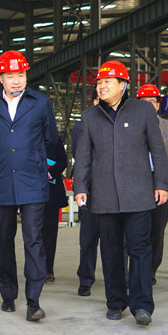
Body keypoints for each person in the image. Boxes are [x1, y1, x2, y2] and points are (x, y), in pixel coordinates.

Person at [73, 61, 168, 326]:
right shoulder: (90, 116)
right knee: (111, 251)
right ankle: (115, 302)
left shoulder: (143, 111)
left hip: (139, 194)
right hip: (104, 196)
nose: (101, 86)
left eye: (107, 82)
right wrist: (80, 187)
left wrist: (162, 183)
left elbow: (157, 150)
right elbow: (83, 156)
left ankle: (142, 305)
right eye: (99, 82)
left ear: (123, 85)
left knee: (140, 249)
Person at [0, 50, 58, 322]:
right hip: (1, 183)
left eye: (20, 74)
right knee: (3, 240)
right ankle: (8, 295)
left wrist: (34, 161)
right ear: (0, 78)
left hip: (32, 182)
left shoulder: (40, 103)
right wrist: (4, 160)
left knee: (34, 240)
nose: (16, 80)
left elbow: (51, 139)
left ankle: (33, 301)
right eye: (10, 75)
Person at [136, 84, 168, 286]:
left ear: (158, 105)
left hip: (161, 184)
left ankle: (151, 270)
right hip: (136, 184)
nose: (148, 106)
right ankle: (136, 269)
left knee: (156, 230)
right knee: (136, 230)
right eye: (144, 102)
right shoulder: (130, 127)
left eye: (152, 102)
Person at [72, 91, 100, 297]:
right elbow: (80, 157)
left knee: (116, 240)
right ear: (94, 101)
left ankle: (121, 279)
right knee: (88, 239)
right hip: (90, 191)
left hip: (114, 191)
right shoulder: (81, 126)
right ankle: (86, 279)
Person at [42, 135, 68, 283]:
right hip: (31, 191)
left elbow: (63, 161)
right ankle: (35, 267)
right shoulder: (27, 135)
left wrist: (49, 173)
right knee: (33, 232)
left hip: (51, 193)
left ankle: (48, 269)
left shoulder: (55, 139)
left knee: (50, 232)